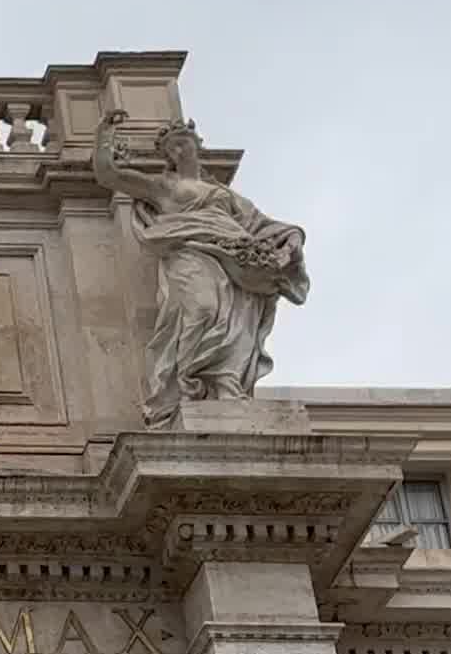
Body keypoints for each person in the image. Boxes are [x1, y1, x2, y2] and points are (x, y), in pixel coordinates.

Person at [90, 112, 309, 425]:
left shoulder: (225, 195)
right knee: (203, 308)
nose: (178, 152)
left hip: (233, 256)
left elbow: (262, 225)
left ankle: (225, 385)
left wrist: (293, 237)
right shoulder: (163, 187)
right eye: (171, 148)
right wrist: (104, 136)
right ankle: (189, 383)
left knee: (233, 324)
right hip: (191, 252)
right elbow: (109, 174)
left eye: (182, 144)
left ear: (196, 146)